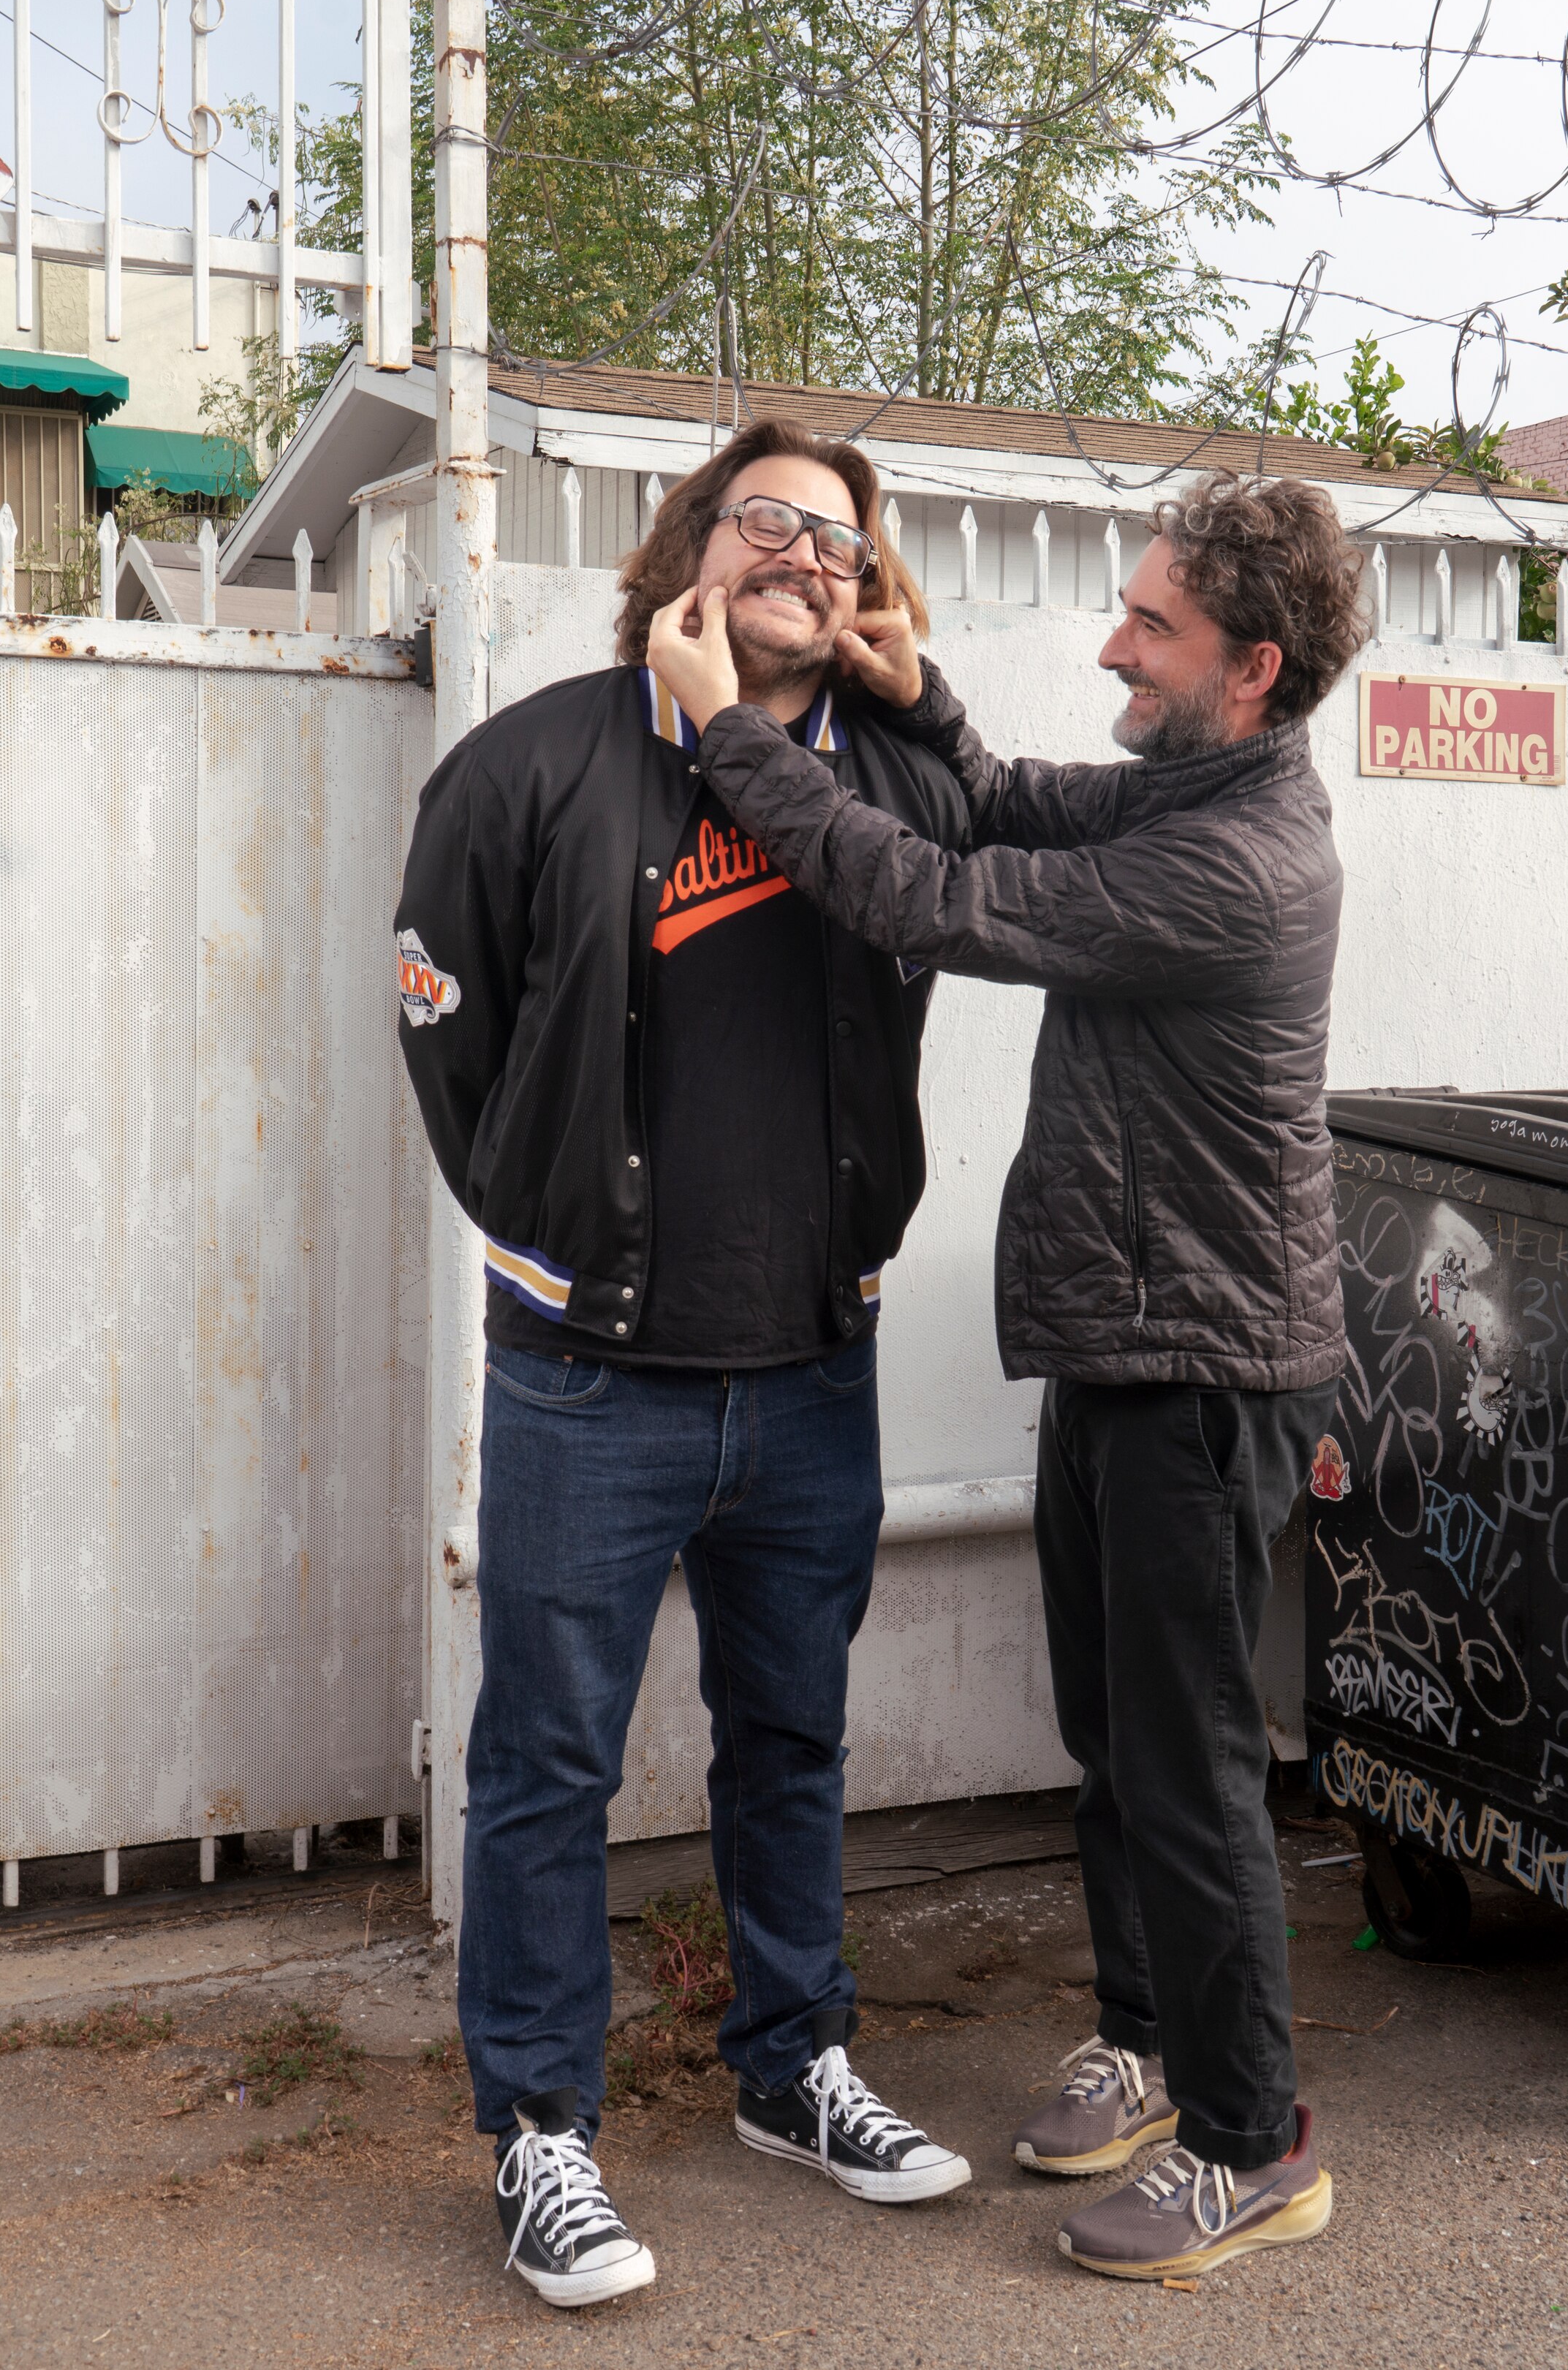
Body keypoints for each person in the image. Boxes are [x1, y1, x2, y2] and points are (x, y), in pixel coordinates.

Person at [646, 469, 1363, 2283]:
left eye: (1151, 627)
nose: (1113, 643)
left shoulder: (1237, 859)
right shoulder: (1198, 781)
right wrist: (911, 691)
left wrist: (737, 742)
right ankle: (1145, 2037)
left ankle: (1245, 2139)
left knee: (1192, 1770)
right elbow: (1007, 795)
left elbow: (933, 893)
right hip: (1127, 1344)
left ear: (1251, 667)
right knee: (1114, 1740)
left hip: (1204, 1369)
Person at [391, 420, 977, 2312]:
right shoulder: (530, 764)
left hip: (815, 1359)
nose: (800, 553)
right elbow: (443, 1023)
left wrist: (926, 681)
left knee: (791, 1738)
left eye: (837, 536)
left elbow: (995, 857)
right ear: (690, 549)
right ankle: (538, 2131)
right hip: (593, 1379)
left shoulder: (885, 779)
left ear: (866, 584)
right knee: (549, 1757)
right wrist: (537, 1221)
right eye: (765, 520)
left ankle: (790, 2064)